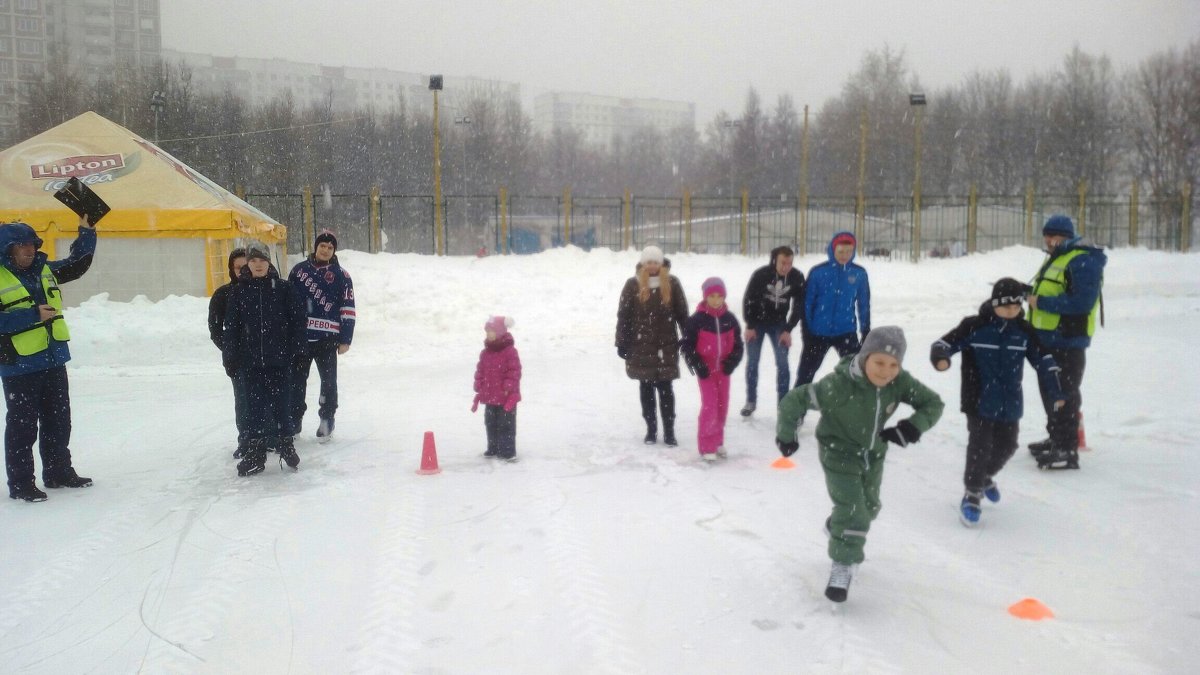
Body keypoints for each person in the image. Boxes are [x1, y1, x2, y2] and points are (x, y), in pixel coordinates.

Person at [775, 327, 943, 602]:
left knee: (870, 507)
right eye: (879, 362)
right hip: (838, 452)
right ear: (865, 357)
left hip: (873, 452)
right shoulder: (838, 386)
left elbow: (932, 403)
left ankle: (838, 527)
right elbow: (795, 400)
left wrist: (912, 427)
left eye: (893, 365)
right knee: (855, 511)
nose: (886, 371)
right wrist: (786, 435)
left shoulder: (898, 382)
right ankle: (842, 566)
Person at [931, 278, 1065, 526]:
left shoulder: (1023, 331)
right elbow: (943, 344)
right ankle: (972, 494)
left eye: (1016, 306)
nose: (1011, 311)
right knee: (979, 446)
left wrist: (1056, 390)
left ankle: (985, 477)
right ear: (994, 304)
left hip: (1010, 401)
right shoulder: (974, 326)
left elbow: (1044, 360)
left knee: (1008, 445)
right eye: (1005, 306)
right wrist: (942, 358)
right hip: (978, 399)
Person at [0, 216, 96, 502]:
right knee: (23, 426)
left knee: (59, 420)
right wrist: (31, 316)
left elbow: (77, 263)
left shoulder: (45, 270)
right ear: (8, 250)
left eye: (32, 245)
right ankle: (20, 484)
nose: (29, 251)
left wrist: (87, 232)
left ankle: (58, 471)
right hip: (19, 365)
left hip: (53, 359)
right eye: (22, 246)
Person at [1026, 215, 1107, 470]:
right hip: (1047, 338)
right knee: (1050, 391)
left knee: (1065, 394)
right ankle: (1055, 438)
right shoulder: (1057, 258)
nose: (1050, 240)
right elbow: (1051, 289)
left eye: (1055, 236)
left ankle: (1067, 448)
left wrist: (1042, 303)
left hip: (1068, 340)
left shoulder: (1083, 260)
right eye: (1047, 235)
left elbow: (1081, 303)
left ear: (1069, 236)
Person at [223, 247, 306, 476]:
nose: (259, 264)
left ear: (270, 263)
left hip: (279, 361)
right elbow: (231, 329)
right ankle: (256, 455)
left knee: (282, 406)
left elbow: (299, 322)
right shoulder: (239, 293)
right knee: (254, 410)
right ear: (248, 264)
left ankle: (286, 447)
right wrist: (230, 358)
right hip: (250, 365)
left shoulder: (284, 289)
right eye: (254, 260)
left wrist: (299, 352)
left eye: (263, 260)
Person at [615, 245, 689, 446]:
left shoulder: (672, 283)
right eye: (648, 262)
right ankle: (651, 429)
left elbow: (682, 313)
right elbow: (624, 316)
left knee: (666, 389)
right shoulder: (633, 285)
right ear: (642, 264)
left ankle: (669, 431)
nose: (652, 266)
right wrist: (621, 342)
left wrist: (688, 336)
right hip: (641, 347)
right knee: (646, 389)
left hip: (666, 346)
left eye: (655, 262)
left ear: (661, 263)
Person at [288, 230, 356, 443]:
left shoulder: (342, 276)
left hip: (328, 339)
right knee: (296, 383)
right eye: (322, 246)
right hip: (300, 338)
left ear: (334, 250)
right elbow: (287, 304)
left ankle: (327, 419)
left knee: (328, 383)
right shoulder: (298, 271)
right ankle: (294, 421)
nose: (325, 250)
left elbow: (348, 308)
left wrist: (346, 338)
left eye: (330, 247)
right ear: (315, 247)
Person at [796, 231, 871, 390]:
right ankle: (796, 411)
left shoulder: (859, 273)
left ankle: (857, 409)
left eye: (849, 252)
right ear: (832, 250)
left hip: (846, 331)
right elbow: (807, 303)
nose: (844, 255)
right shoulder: (818, 272)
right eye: (841, 251)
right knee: (805, 374)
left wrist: (865, 330)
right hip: (818, 333)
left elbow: (863, 304)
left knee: (858, 373)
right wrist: (807, 331)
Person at [680, 277, 744, 461]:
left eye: (719, 296)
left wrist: (732, 361)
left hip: (723, 370)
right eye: (712, 296)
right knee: (710, 405)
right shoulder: (697, 320)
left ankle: (717, 441)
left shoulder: (730, 319)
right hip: (706, 370)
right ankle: (707, 445)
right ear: (705, 297)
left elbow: (738, 345)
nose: (716, 300)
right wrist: (697, 363)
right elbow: (687, 345)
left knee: (722, 405)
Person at [740, 245, 804, 417]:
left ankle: (783, 404)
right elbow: (749, 300)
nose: (786, 267)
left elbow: (799, 306)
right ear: (775, 259)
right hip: (757, 323)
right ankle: (750, 401)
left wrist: (788, 329)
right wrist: (750, 325)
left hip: (779, 325)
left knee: (783, 364)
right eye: (783, 263)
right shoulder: (761, 275)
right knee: (753, 362)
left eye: (789, 263)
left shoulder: (796, 277)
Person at [208, 248, 249, 458]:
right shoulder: (223, 294)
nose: (242, 271)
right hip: (239, 359)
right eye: (238, 267)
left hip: (266, 357)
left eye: (245, 266)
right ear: (231, 269)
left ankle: (270, 438)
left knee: (268, 400)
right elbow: (216, 329)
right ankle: (246, 440)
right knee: (243, 401)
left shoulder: (265, 289)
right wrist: (230, 349)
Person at [471, 316, 522, 462]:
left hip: (506, 397)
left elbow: (514, 371)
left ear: (500, 332)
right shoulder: (485, 353)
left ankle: (507, 451)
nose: (488, 334)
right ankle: (493, 448)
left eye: (492, 331)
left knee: (506, 424)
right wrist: (479, 383)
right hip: (490, 396)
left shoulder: (510, 351)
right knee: (490, 423)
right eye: (487, 331)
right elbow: (480, 370)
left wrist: (508, 386)